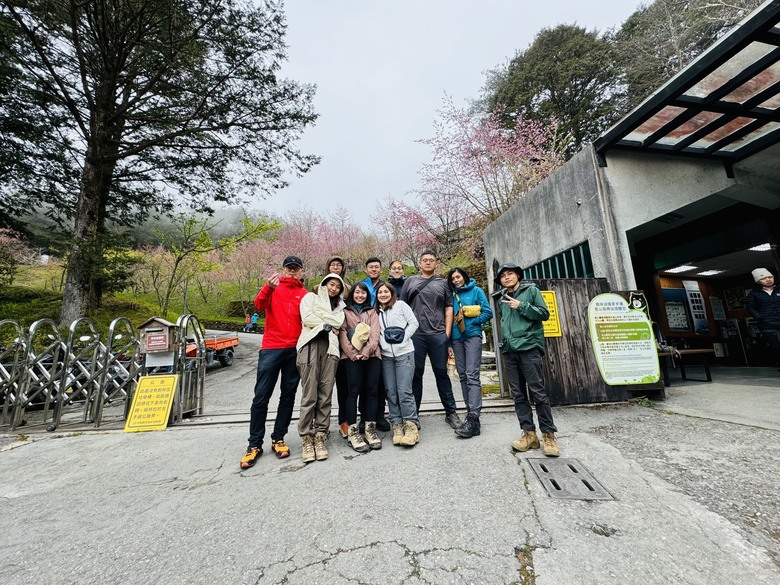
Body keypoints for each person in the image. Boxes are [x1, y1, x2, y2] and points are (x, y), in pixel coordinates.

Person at [241, 255, 308, 469]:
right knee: (261, 396)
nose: (292, 271)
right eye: (289, 268)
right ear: (283, 269)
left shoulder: (304, 294)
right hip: (271, 348)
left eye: (296, 268)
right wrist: (268, 288)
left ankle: (278, 437)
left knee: (288, 396)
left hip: (294, 349)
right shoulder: (273, 288)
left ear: (301, 272)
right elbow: (258, 305)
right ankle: (254, 444)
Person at [495, 263, 559, 457]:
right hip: (509, 350)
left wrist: (521, 306)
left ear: (518, 276)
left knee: (537, 391)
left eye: (510, 274)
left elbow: (544, 314)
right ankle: (529, 434)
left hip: (529, 347)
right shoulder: (501, 300)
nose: (506, 278)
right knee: (518, 394)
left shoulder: (531, 291)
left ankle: (548, 435)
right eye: (503, 276)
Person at [401, 250, 461, 429]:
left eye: (431, 260)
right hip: (416, 335)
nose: (428, 263)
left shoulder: (443, 284)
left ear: (436, 264)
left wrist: (446, 334)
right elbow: (401, 308)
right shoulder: (410, 282)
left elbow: (449, 309)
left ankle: (451, 413)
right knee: (416, 374)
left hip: (437, 335)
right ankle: (414, 416)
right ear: (419, 263)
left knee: (441, 374)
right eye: (424, 260)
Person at [296, 273, 346, 463]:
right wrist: (327, 323)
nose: (333, 289)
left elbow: (338, 322)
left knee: (325, 393)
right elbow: (307, 317)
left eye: (337, 287)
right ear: (324, 284)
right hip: (310, 345)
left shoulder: (339, 307)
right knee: (309, 394)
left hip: (331, 349)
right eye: (331, 284)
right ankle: (307, 436)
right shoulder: (310, 297)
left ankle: (320, 434)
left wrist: (323, 320)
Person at [447, 267, 493, 438]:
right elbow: (448, 317)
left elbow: (488, 312)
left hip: (472, 337)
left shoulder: (477, 290)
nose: (456, 280)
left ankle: (474, 416)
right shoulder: (450, 295)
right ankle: (470, 413)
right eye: (453, 279)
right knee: (463, 375)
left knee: (472, 374)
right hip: (456, 339)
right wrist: (449, 342)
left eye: (458, 277)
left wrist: (474, 323)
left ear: (464, 276)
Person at [338, 281, 382, 452]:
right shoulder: (345, 312)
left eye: (363, 293)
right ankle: (353, 431)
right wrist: (352, 353)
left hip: (372, 356)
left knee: (371, 391)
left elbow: (375, 334)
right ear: (352, 294)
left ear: (367, 295)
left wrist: (367, 351)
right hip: (351, 358)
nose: (360, 295)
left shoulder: (372, 311)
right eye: (357, 292)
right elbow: (342, 333)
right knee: (353, 391)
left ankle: (370, 430)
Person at [376, 281, 420, 447]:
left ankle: (411, 426)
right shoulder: (377, 312)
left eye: (386, 291)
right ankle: (397, 424)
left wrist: (403, 339)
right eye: (380, 292)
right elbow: (377, 332)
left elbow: (413, 323)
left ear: (392, 292)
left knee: (404, 390)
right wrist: (385, 346)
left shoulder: (401, 305)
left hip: (405, 353)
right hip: (387, 355)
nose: (383, 295)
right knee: (391, 391)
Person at [361, 256, 391, 432]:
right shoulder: (361, 287)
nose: (373, 269)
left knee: (378, 381)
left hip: (382, 337)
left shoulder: (385, 288)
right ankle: (364, 416)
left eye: (376, 267)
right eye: (370, 267)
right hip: (364, 337)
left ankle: (379, 415)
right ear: (366, 269)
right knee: (363, 381)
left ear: (381, 269)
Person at [325, 256, 351, 438]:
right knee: (321, 388)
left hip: (340, 344)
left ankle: (345, 421)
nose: (335, 267)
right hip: (320, 343)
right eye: (332, 265)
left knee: (344, 385)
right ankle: (320, 426)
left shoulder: (347, 291)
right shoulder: (315, 290)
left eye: (339, 265)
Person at [746, 267, 780, 369]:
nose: (768, 279)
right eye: (764, 278)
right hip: (767, 325)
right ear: (758, 281)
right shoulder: (754, 294)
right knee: (777, 347)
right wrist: (760, 317)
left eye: (770, 277)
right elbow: (750, 307)